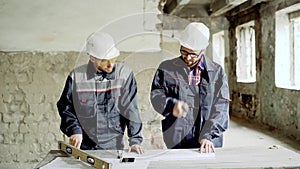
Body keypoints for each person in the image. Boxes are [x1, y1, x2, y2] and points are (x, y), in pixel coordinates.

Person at [57, 32, 144, 154]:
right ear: (92, 57)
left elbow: (131, 110)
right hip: (84, 147)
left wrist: (135, 141)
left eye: (113, 59)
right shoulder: (76, 77)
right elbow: (66, 107)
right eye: (104, 61)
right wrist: (74, 130)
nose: (110, 65)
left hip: (114, 146)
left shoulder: (124, 75)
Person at [150, 22, 230, 153]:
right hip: (177, 136)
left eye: (193, 54)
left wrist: (209, 136)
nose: (187, 57)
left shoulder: (217, 72)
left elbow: (221, 106)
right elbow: (156, 95)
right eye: (184, 51)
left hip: (208, 141)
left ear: (203, 50)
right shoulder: (166, 68)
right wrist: (171, 105)